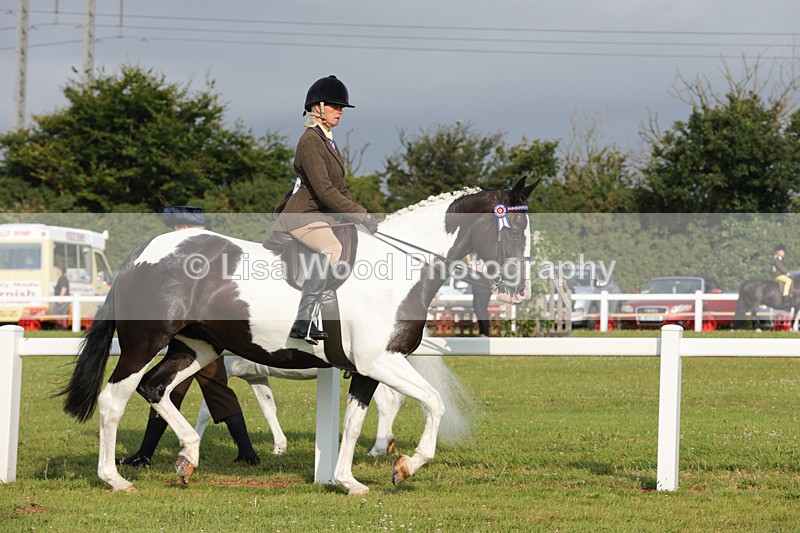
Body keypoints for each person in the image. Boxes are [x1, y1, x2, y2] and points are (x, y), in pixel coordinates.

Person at [117, 206, 260, 467]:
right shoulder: (217, 247)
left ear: (182, 228)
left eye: (175, 229)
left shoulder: (193, 252)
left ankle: (145, 454)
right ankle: (247, 452)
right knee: (211, 393)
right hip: (207, 338)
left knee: (166, 390)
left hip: (194, 337)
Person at [270, 75, 379, 345]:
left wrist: (361, 215)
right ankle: (304, 321)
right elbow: (324, 191)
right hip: (302, 214)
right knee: (332, 249)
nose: (340, 111)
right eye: (335, 106)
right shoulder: (310, 140)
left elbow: (340, 189)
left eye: (341, 108)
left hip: (319, 213)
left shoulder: (327, 140)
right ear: (317, 107)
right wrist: (361, 214)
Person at [467, 254, 492, 337]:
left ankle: (484, 332)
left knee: (481, 309)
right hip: (479, 287)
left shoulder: (482, 257)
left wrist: (468, 258)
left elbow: (476, 269)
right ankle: (484, 332)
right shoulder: (478, 256)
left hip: (482, 287)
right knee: (479, 309)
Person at [52, 265, 70, 329]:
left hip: (62, 299)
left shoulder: (62, 278)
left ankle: (63, 327)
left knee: (55, 313)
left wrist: (60, 298)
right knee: (62, 314)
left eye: (57, 270)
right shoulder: (62, 278)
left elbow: (64, 288)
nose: (56, 272)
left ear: (60, 271)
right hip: (62, 299)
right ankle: (63, 327)